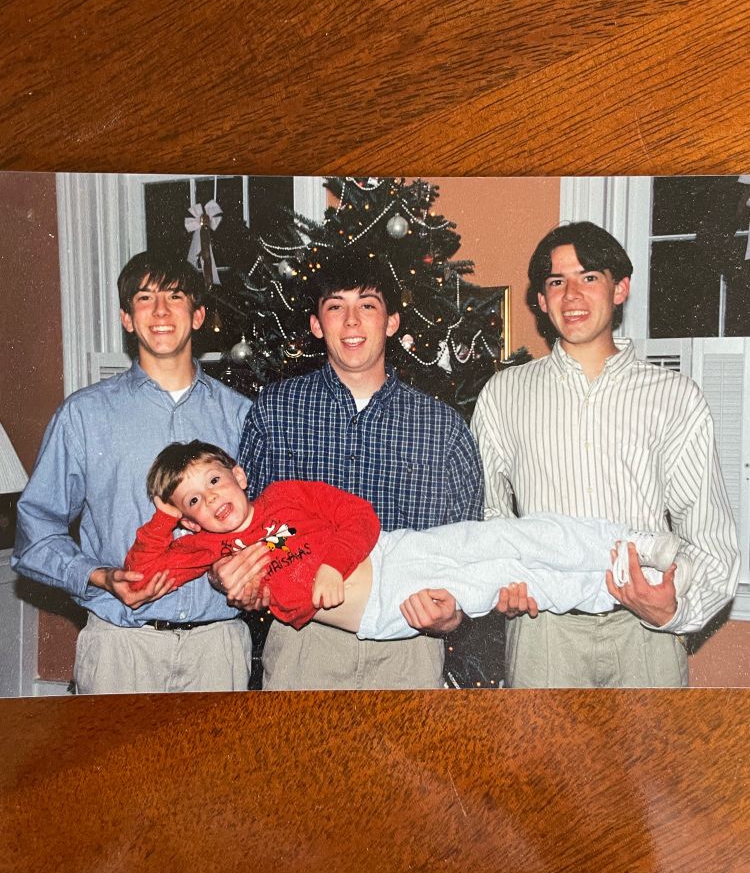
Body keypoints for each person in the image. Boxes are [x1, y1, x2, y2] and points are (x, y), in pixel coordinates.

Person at [468, 221, 740, 688]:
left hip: (645, 637)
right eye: (557, 281)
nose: (571, 295)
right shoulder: (504, 394)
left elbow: (709, 534)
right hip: (542, 633)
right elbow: (486, 511)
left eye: (589, 277)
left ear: (620, 289)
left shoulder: (675, 396)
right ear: (541, 299)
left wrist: (674, 609)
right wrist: (501, 578)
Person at [214, 247, 485, 690]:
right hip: (304, 642)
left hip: (408, 644)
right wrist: (236, 572)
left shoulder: (443, 429)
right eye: (336, 307)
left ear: (392, 322)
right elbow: (241, 528)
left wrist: (454, 613)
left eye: (368, 306)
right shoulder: (277, 412)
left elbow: (469, 547)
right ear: (317, 325)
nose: (352, 322)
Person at [12, 252, 268, 694]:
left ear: (199, 314)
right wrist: (100, 577)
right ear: (127, 318)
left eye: (176, 296)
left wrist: (254, 573)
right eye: (145, 298)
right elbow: (36, 533)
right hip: (119, 649)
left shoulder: (243, 417)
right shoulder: (85, 415)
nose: (162, 311)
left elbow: (272, 520)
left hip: (218, 648)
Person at [127, 441, 682, 639]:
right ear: (189, 522)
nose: (212, 499)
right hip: (383, 610)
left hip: (391, 551)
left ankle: (632, 547)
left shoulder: (286, 496)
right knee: (501, 580)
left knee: (507, 535)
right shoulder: (208, 551)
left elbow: (359, 516)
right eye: (194, 501)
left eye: (214, 480)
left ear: (239, 475)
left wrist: (331, 566)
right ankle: (615, 587)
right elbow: (144, 574)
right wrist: (160, 517)